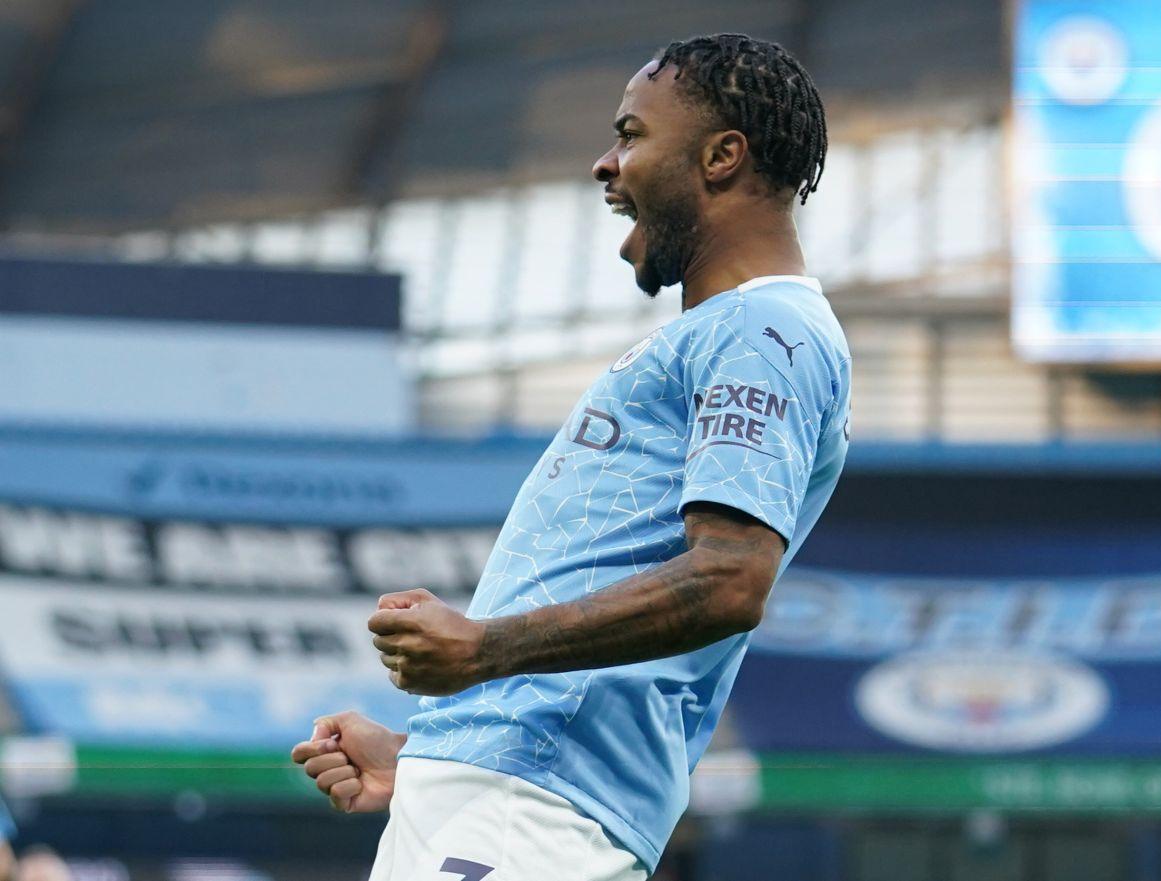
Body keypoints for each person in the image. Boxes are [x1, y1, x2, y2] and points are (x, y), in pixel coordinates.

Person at [292, 32, 850, 881]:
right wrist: (430, 746)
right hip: (496, 797)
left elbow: (731, 577)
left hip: (531, 812)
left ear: (722, 156)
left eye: (631, 135)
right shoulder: (720, 333)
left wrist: (481, 650)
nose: (606, 163)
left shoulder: (763, 332)